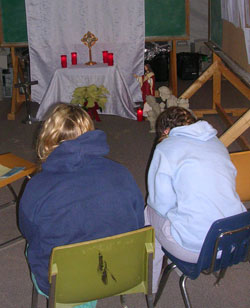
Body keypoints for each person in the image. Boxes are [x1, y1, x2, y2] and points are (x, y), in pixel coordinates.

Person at [19, 103, 145, 302]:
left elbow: (28, 232)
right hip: (121, 273)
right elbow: (138, 224)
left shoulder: (37, 187)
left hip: (63, 284)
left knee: (32, 245)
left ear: (47, 138)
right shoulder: (122, 173)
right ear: (90, 133)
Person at [145, 106, 246, 293]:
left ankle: (150, 282)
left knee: (149, 212)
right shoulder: (217, 143)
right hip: (235, 240)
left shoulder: (166, 147)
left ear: (166, 131)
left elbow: (160, 203)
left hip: (196, 249)